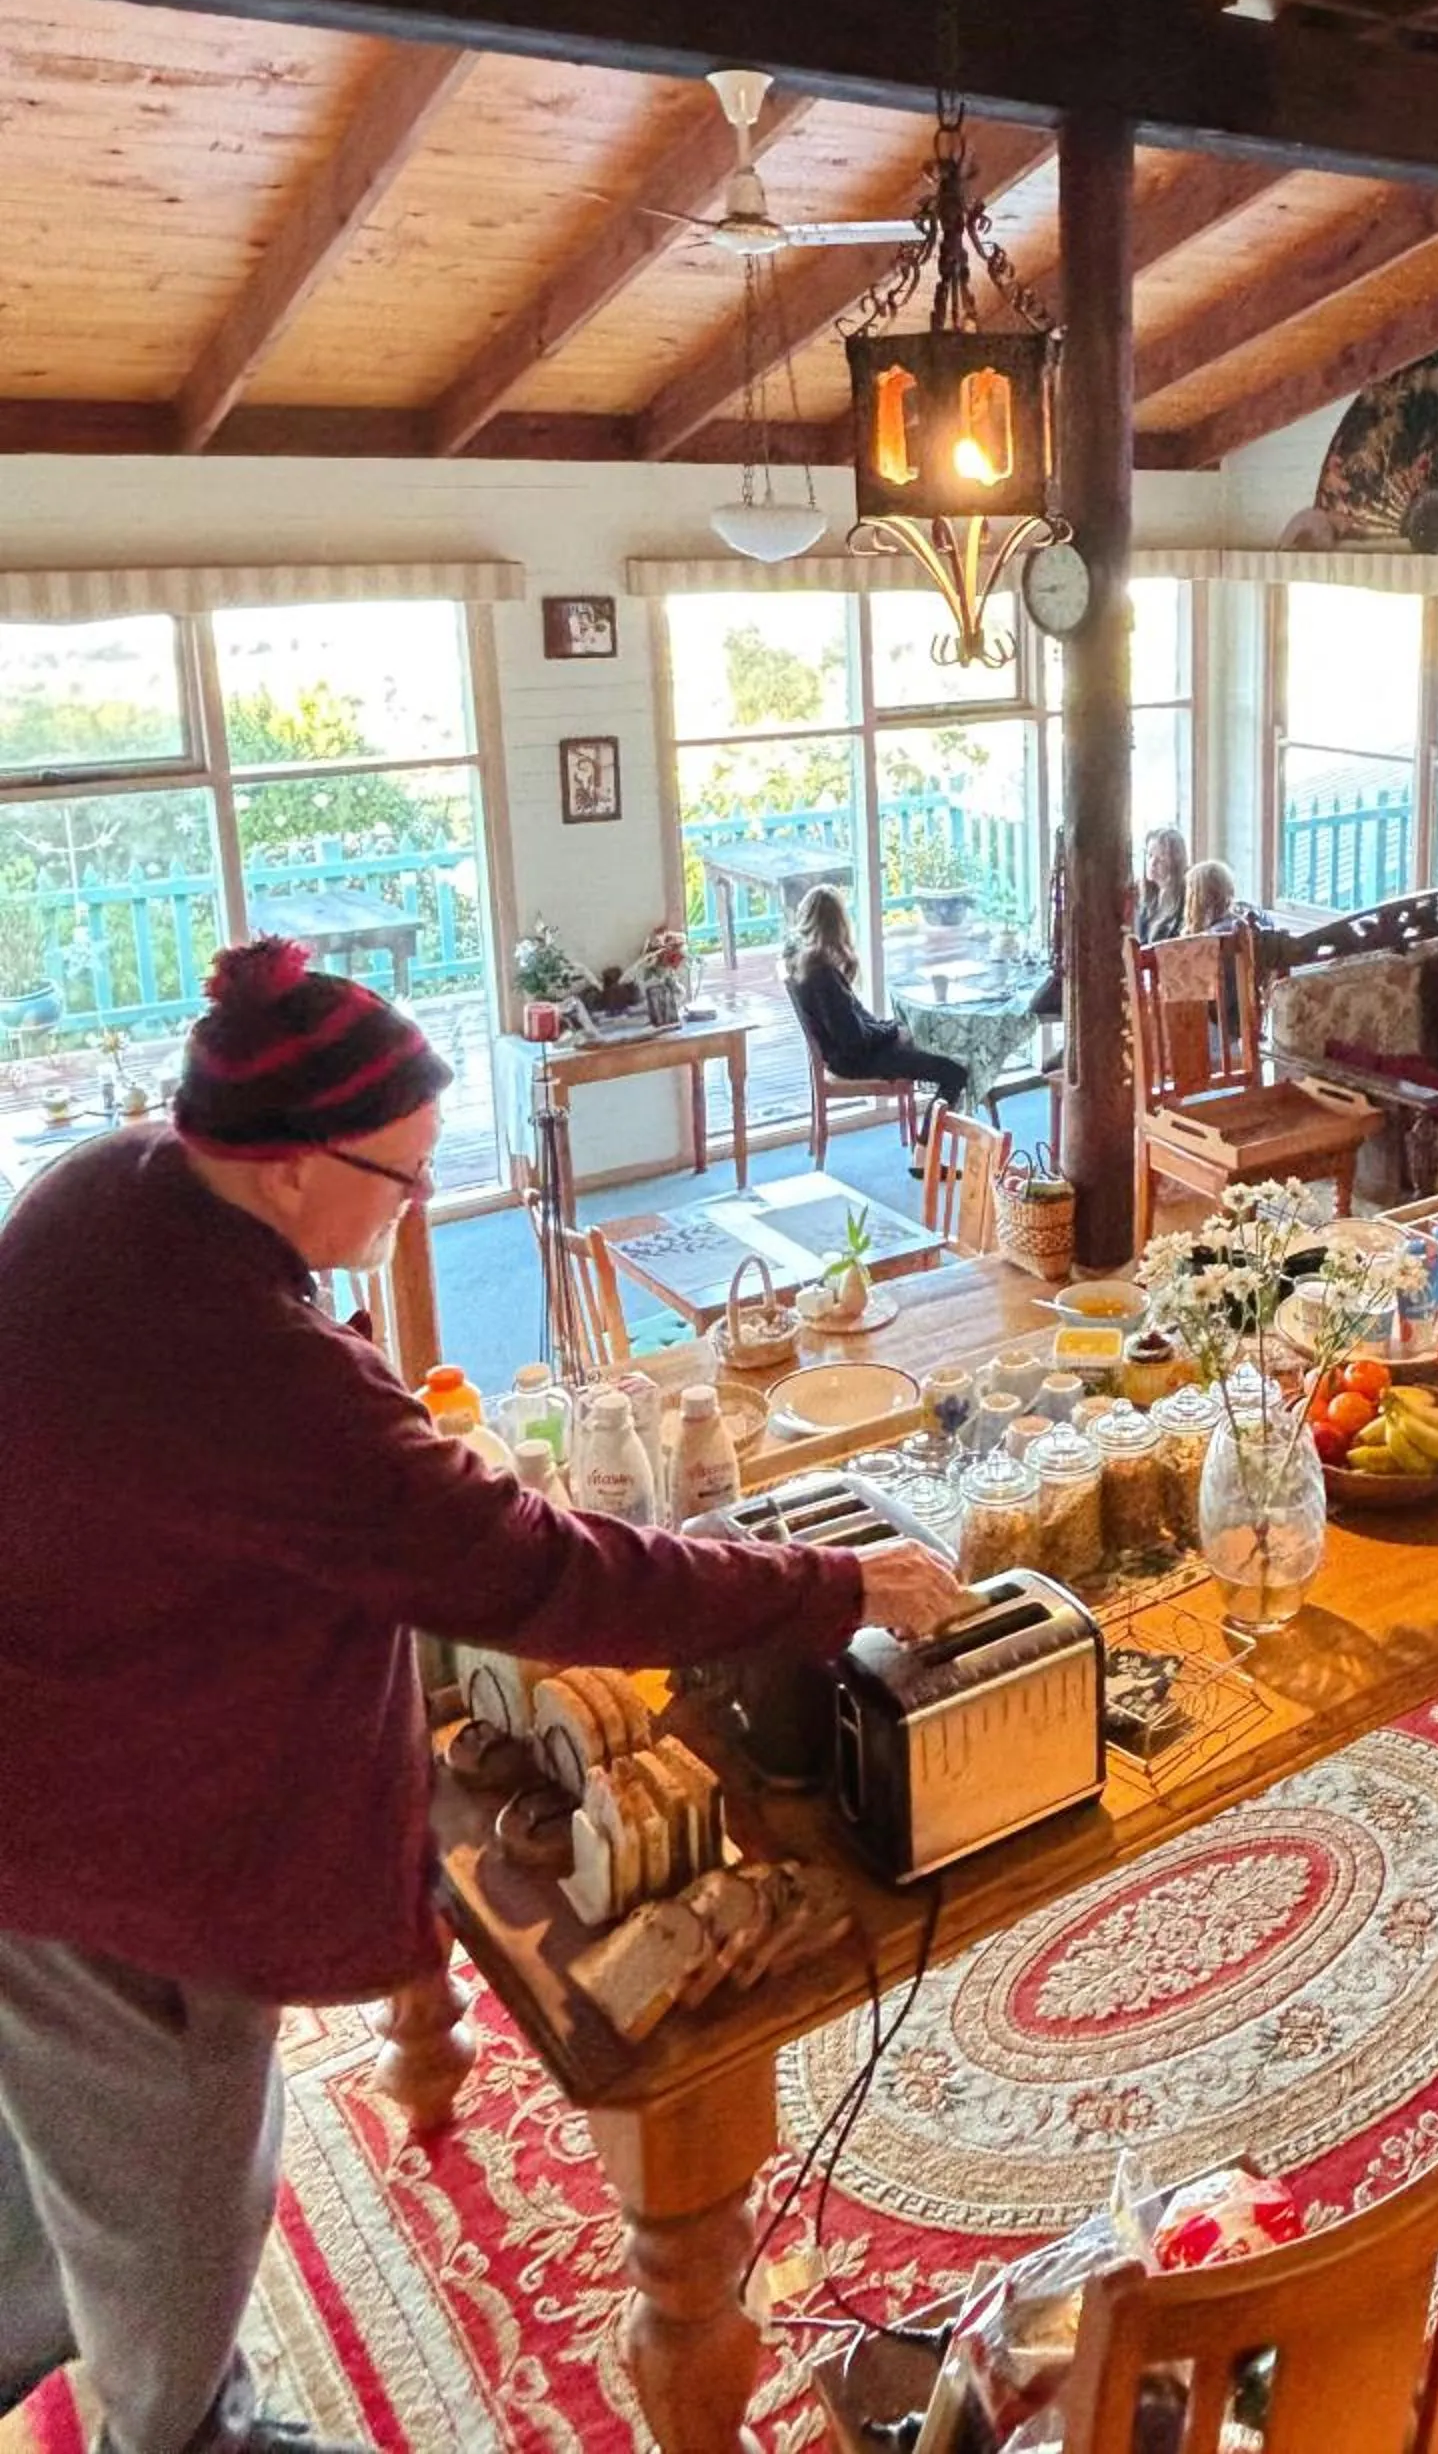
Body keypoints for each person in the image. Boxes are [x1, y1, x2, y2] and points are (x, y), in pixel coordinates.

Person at [0, 939, 959, 2454]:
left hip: (61, 1736)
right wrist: (834, 1588)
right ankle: (182, 2428)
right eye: (403, 1176)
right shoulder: (263, 1365)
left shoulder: (110, 1182)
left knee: (96, 2156)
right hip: (122, 1833)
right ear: (295, 1169)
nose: (419, 1206)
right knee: (179, 2182)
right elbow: (540, 1575)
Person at [783, 885, 968, 1126]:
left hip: (848, 1054)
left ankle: (938, 1137)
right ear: (839, 922)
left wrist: (892, 1028)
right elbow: (854, 1039)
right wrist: (893, 1031)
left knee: (922, 1043)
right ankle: (925, 1151)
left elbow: (856, 1025)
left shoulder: (804, 965)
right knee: (955, 1073)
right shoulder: (823, 976)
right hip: (856, 1060)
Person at [1135, 828, 1188, 946]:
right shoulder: (1146, 897)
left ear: (1176, 860)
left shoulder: (1186, 898)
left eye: (1161, 857)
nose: (1153, 863)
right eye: (1150, 855)